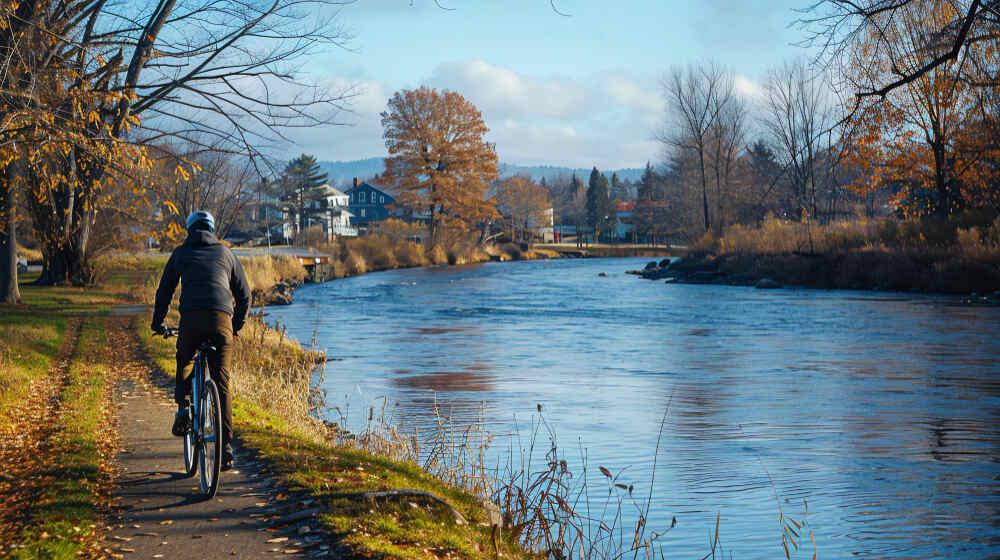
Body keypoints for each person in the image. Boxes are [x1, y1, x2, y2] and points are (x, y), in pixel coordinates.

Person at [151, 210, 251, 471]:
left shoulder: (181, 253)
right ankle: (226, 447)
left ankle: (183, 408)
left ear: (189, 230)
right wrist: (236, 326)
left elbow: (165, 291)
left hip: (192, 320)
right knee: (222, 381)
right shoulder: (226, 254)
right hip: (221, 320)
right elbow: (245, 296)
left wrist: (157, 323)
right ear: (212, 229)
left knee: (184, 358)